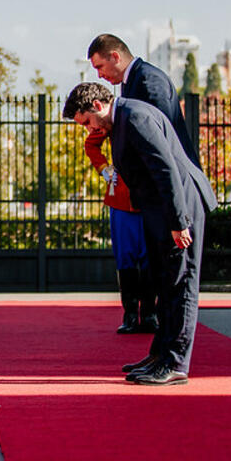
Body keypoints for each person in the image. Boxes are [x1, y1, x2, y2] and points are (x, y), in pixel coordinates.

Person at [64, 82, 216, 385]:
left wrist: (178, 221)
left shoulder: (134, 117)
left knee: (180, 283)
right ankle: (160, 354)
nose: (88, 129)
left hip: (178, 207)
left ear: (96, 105)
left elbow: (165, 169)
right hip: (160, 209)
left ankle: (175, 362)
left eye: (86, 122)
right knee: (164, 281)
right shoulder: (122, 119)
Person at [86, 33, 199, 166]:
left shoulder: (149, 80)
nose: (99, 75)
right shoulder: (132, 80)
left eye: (100, 67)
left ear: (115, 57)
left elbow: (163, 136)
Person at [84, 128, 156, 334]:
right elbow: (91, 144)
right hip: (122, 199)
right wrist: (104, 168)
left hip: (150, 198)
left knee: (150, 258)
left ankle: (150, 313)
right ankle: (131, 314)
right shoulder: (116, 120)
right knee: (126, 258)